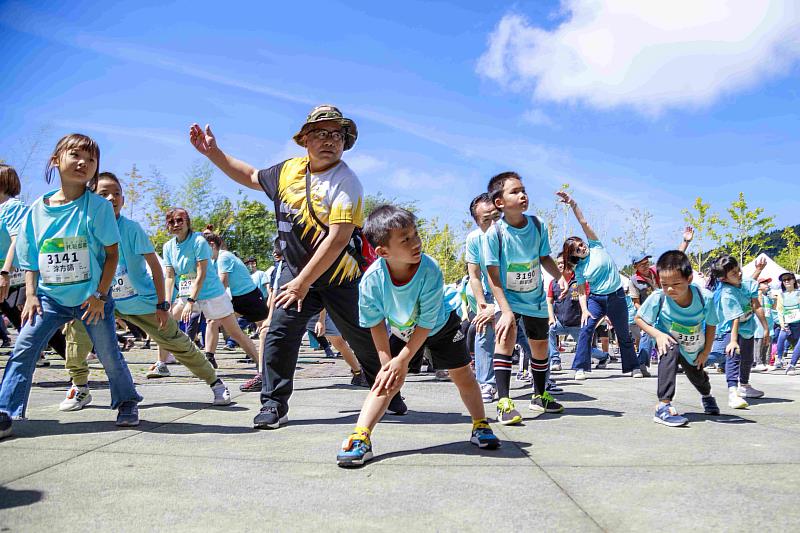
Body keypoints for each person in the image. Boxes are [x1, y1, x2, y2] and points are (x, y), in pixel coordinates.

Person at [189, 104, 392, 430]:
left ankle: (385, 388)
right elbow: (252, 176)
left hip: (340, 278)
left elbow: (338, 239)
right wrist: (213, 153)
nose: (330, 141)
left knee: (365, 339)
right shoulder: (288, 172)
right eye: (321, 133)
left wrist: (301, 283)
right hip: (295, 272)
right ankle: (273, 405)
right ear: (305, 139)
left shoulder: (347, 182)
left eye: (337, 135)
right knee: (279, 336)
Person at [0, 134, 142, 439]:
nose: (83, 163)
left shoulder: (98, 208)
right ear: (56, 160)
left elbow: (112, 254)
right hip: (49, 299)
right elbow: (31, 258)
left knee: (108, 354)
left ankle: (127, 400)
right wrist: (31, 295)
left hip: (92, 299)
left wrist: (100, 296)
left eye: (91, 160)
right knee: (24, 347)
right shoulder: (37, 209)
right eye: (75, 155)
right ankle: (5, 411)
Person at [336, 205, 499, 467]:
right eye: (406, 239)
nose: (416, 243)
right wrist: (387, 362)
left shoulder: (429, 269)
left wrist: (403, 360)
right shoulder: (371, 281)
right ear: (383, 252)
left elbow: (426, 323)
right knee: (385, 381)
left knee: (464, 376)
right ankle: (361, 437)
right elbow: (376, 323)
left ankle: (480, 425)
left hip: (439, 327)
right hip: (403, 331)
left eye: (415, 235)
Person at [59, 172, 231, 410]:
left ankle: (215, 383)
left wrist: (162, 304)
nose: (112, 198)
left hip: (140, 302)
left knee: (178, 342)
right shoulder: (83, 227)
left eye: (117, 193)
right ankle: (80, 387)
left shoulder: (131, 228)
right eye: (104, 194)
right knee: (76, 336)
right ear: (91, 198)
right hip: (99, 301)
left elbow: (157, 268)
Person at [483, 172, 563, 425]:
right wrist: (505, 311)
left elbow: (544, 257)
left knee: (540, 347)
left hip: (535, 299)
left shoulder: (538, 225)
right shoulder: (494, 234)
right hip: (506, 299)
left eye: (523, 190)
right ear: (500, 202)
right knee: (504, 340)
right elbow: (493, 276)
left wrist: (560, 277)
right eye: (514, 191)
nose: (522, 195)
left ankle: (540, 395)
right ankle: (504, 402)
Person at [558, 189, 641, 380]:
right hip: (596, 300)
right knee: (586, 329)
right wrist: (585, 310)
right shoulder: (579, 268)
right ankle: (580, 367)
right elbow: (581, 291)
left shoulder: (596, 245)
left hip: (617, 297)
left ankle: (633, 367)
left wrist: (572, 203)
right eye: (577, 250)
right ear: (574, 255)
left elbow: (583, 222)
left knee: (623, 333)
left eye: (580, 244)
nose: (581, 248)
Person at [162, 209, 259, 372]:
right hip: (187, 293)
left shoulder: (198, 242)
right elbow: (170, 276)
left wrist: (191, 302)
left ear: (187, 222)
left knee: (234, 332)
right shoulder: (168, 247)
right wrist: (166, 302)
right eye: (172, 222)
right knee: (165, 322)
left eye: (180, 220)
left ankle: (260, 364)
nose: (176, 224)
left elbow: (202, 273)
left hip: (211, 293)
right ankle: (161, 364)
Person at [635, 251, 721, 427]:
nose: (670, 289)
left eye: (676, 284)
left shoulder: (706, 298)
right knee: (669, 349)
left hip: (693, 345)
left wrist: (706, 352)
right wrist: (658, 335)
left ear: (689, 279)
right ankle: (663, 406)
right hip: (668, 338)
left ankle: (707, 396)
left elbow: (712, 325)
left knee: (698, 377)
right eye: (665, 284)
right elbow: (639, 319)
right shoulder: (659, 297)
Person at [465, 193, 535, 403]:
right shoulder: (474, 239)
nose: (494, 223)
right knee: (483, 327)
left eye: (497, 216)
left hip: (521, 293)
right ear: (477, 222)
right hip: (490, 293)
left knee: (529, 335)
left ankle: (543, 378)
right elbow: (474, 276)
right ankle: (487, 383)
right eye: (487, 220)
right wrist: (483, 306)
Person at [0, 163, 68, 360]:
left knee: (34, 321)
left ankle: (76, 363)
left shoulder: (13, 207)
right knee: (30, 323)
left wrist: (4, 273)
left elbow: (18, 241)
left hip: (18, 275)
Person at [707, 255, 770, 409]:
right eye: (734, 273)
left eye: (738, 270)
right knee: (732, 355)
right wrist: (733, 341)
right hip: (730, 327)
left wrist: (766, 328)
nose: (739, 274)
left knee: (747, 358)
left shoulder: (748, 283)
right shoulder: (727, 294)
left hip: (747, 326)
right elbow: (734, 319)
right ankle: (733, 392)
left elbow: (756, 306)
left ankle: (745, 385)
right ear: (723, 279)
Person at [204, 232, 266, 363]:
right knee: (213, 321)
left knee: (265, 328)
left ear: (212, 245)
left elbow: (223, 282)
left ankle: (268, 358)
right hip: (237, 299)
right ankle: (209, 357)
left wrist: (211, 300)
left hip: (251, 297)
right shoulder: (214, 261)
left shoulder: (224, 257)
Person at [546, 252, 610, 375]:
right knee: (549, 330)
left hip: (577, 324)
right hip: (560, 322)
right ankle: (555, 361)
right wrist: (551, 318)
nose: (560, 265)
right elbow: (549, 301)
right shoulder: (553, 283)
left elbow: (589, 299)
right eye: (558, 263)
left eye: (562, 263)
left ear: (569, 264)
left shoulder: (580, 281)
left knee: (586, 349)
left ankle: (603, 356)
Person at [776, 272, 800, 374]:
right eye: (784, 280)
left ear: (794, 280)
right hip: (787, 324)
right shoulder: (781, 295)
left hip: (798, 324)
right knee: (781, 338)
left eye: (789, 279)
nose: (787, 281)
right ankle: (779, 359)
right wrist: (782, 324)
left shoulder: (798, 293)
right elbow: (780, 311)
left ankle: (792, 365)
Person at [753, 276, 775, 372]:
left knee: (768, 343)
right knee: (759, 342)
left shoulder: (768, 297)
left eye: (767, 283)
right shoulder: (757, 296)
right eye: (764, 283)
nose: (767, 285)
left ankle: (766, 362)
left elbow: (773, 308)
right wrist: (759, 294)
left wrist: (775, 300)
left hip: (769, 323)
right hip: (759, 324)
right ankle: (758, 362)